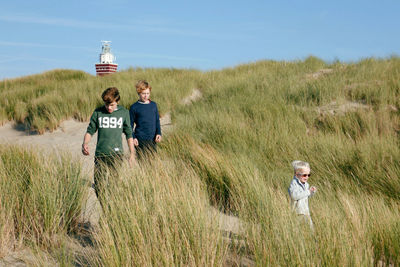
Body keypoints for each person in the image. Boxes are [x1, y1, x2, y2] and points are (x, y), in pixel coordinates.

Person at [82, 87, 134, 198]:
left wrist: (132, 154)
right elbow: (90, 130)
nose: (109, 108)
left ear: (117, 101)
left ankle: (111, 210)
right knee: (99, 185)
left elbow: (129, 134)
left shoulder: (124, 113)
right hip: (101, 154)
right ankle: (104, 206)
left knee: (113, 185)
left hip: (116, 155)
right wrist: (85, 144)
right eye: (107, 105)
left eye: (112, 105)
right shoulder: (98, 112)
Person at [129, 80, 162, 160]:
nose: (146, 96)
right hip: (140, 140)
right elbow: (130, 125)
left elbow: (157, 121)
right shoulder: (134, 107)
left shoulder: (153, 105)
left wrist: (159, 133)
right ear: (139, 93)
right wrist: (133, 137)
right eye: (143, 93)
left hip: (153, 139)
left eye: (147, 93)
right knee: (143, 163)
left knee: (152, 162)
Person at [288, 160, 317, 229]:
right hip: (297, 212)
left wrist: (311, 192)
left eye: (308, 175)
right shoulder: (294, 183)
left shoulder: (306, 184)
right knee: (296, 229)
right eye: (304, 175)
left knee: (311, 229)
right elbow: (294, 196)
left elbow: (305, 196)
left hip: (306, 211)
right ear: (297, 174)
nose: (306, 177)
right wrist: (308, 192)